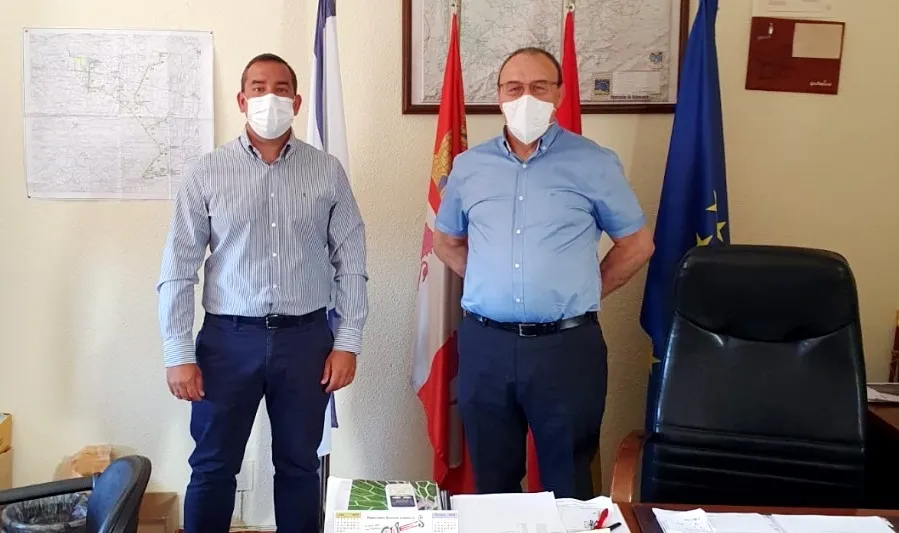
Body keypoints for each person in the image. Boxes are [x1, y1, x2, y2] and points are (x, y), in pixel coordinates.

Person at [156, 53, 367, 533]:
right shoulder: (206, 172)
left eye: (280, 88)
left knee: (299, 465)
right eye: (257, 87)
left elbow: (352, 261)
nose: (268, 97)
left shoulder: (327, 171)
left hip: (306, 341)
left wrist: (348, 342)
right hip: (227, 341)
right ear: (241, 99)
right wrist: (178, 352)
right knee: (212, 465)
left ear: (296, 101)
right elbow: (178, 267)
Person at [433, 47, 654, 499]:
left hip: (566, 348)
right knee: (493, 484)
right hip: (486, 345)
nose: (526, 98)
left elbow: (637, 245)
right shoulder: (469, 167)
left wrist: (585, 289)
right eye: (514, 88)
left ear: (559, 94)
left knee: (568, 484)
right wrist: (492, 284)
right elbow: (446, 242)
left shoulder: (594, 162)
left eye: (539, 87)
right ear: (498, 95)